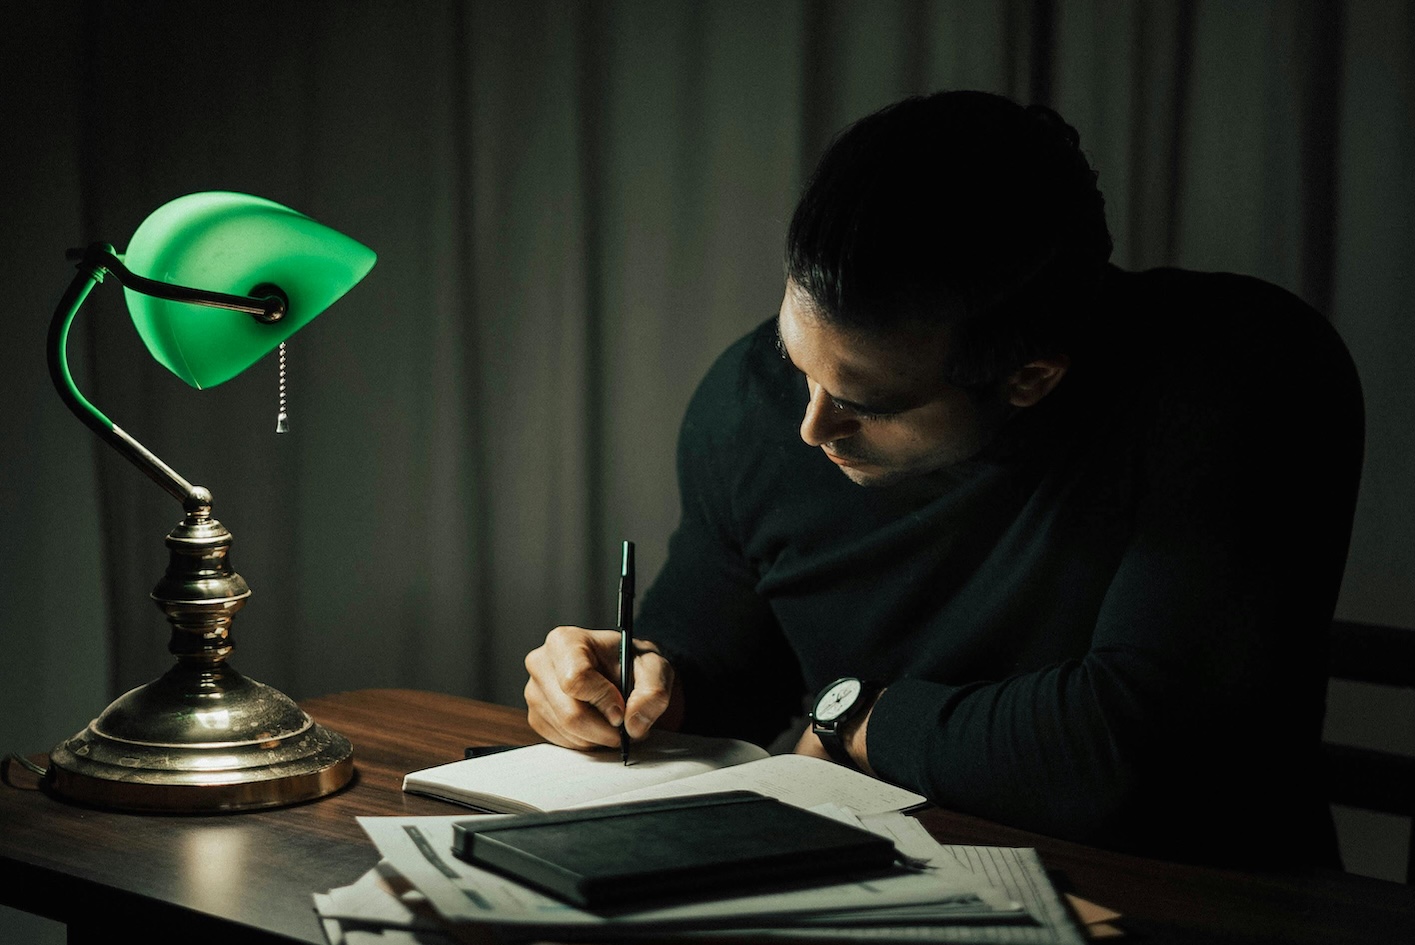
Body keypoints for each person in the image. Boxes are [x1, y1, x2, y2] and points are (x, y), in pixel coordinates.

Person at [523, 90, 1363, 869]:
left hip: (1188, 898)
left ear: (1029, 376)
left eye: (861, 401)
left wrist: (851, 715)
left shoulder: (1242, 373)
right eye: (796, 359)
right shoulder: (752, 401)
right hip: (872, 881)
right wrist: (629, 682)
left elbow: (1133, 751)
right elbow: (720, 670)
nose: (811, 424)